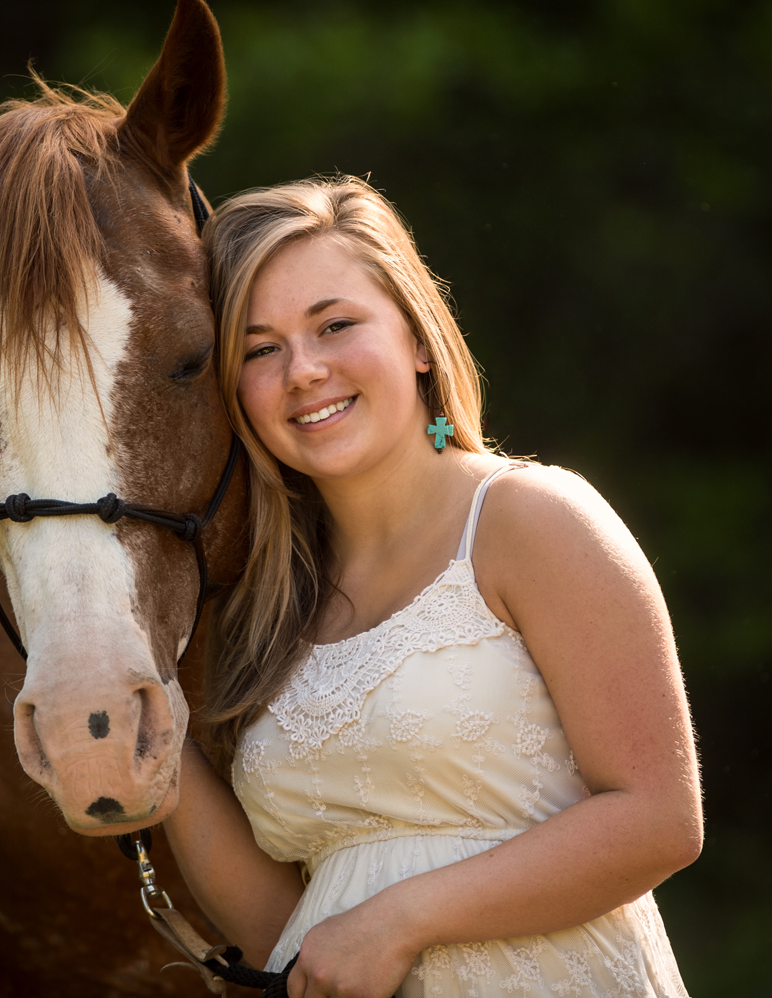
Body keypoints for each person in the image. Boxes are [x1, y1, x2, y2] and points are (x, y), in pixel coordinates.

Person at [163, 176, 701, 998]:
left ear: (417, 338)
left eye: (335, 325)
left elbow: (659, 820)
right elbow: (296, 938)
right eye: (259, 349)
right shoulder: (264, 605)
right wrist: (155, 746)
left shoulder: (530, 519)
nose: (303, 370)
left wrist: (403, 918)